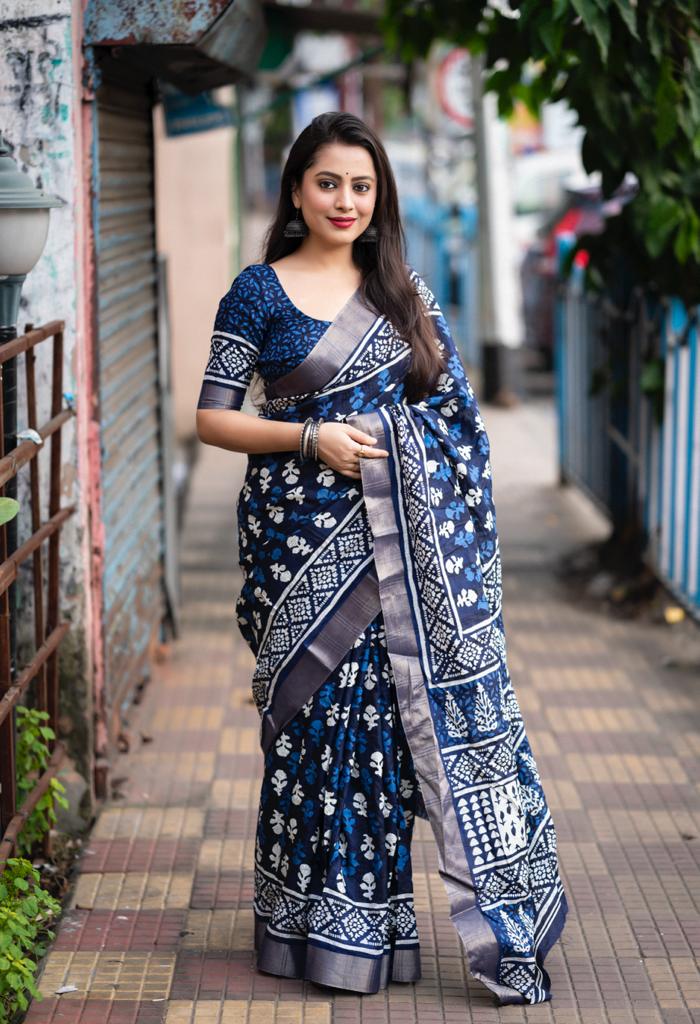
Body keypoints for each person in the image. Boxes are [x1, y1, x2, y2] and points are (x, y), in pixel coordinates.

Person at [196, 111, 568, 1006]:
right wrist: (311, 437)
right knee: (314, 730)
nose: (345, 201)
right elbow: (212, 418)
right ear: (296, 189)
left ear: (379, 197)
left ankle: (373, 935)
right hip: (297, 554)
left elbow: (458, 428)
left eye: (362, 187)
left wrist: (398, 451)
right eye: (328, 183)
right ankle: (303, 930)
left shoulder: (403, 291)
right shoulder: (257, 291)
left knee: (383, 745)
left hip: (406, 562)